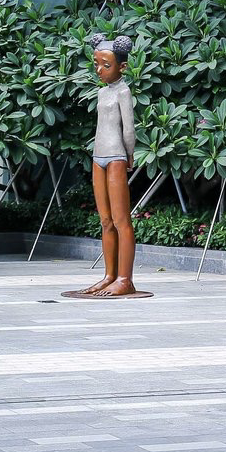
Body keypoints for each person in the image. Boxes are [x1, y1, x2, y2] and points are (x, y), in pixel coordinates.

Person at [77, 34, 140, 298]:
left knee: (121, 219)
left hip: (115, 157)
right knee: (105, 220)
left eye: (106, 65)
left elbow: (129, 130)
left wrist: (129, 155)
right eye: (96, 64)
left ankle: (125, 279)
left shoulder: (124, 92)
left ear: (122, 67)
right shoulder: (102, 92)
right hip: (98, 157)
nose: (99, 70)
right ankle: (109, 276)